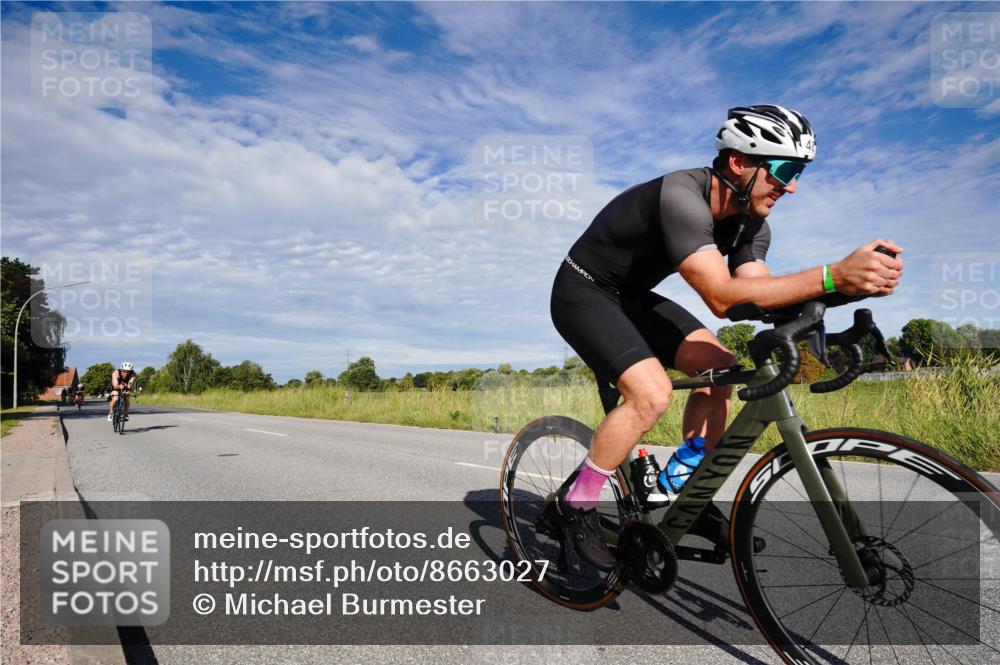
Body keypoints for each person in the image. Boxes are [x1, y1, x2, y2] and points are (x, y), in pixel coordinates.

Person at [547, 105, 904, 570]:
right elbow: (720, 296)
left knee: (720, 372)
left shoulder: (751, 223)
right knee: (650, 394)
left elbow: (754, 297)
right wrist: (833, 276)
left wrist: (837, 298)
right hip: (583, 291)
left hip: (632, 296)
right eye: (783, 170)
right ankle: (573, 508)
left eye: (798, 173)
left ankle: (685, 492)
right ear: (740, 162)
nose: (791, 185)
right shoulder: (681, 195)